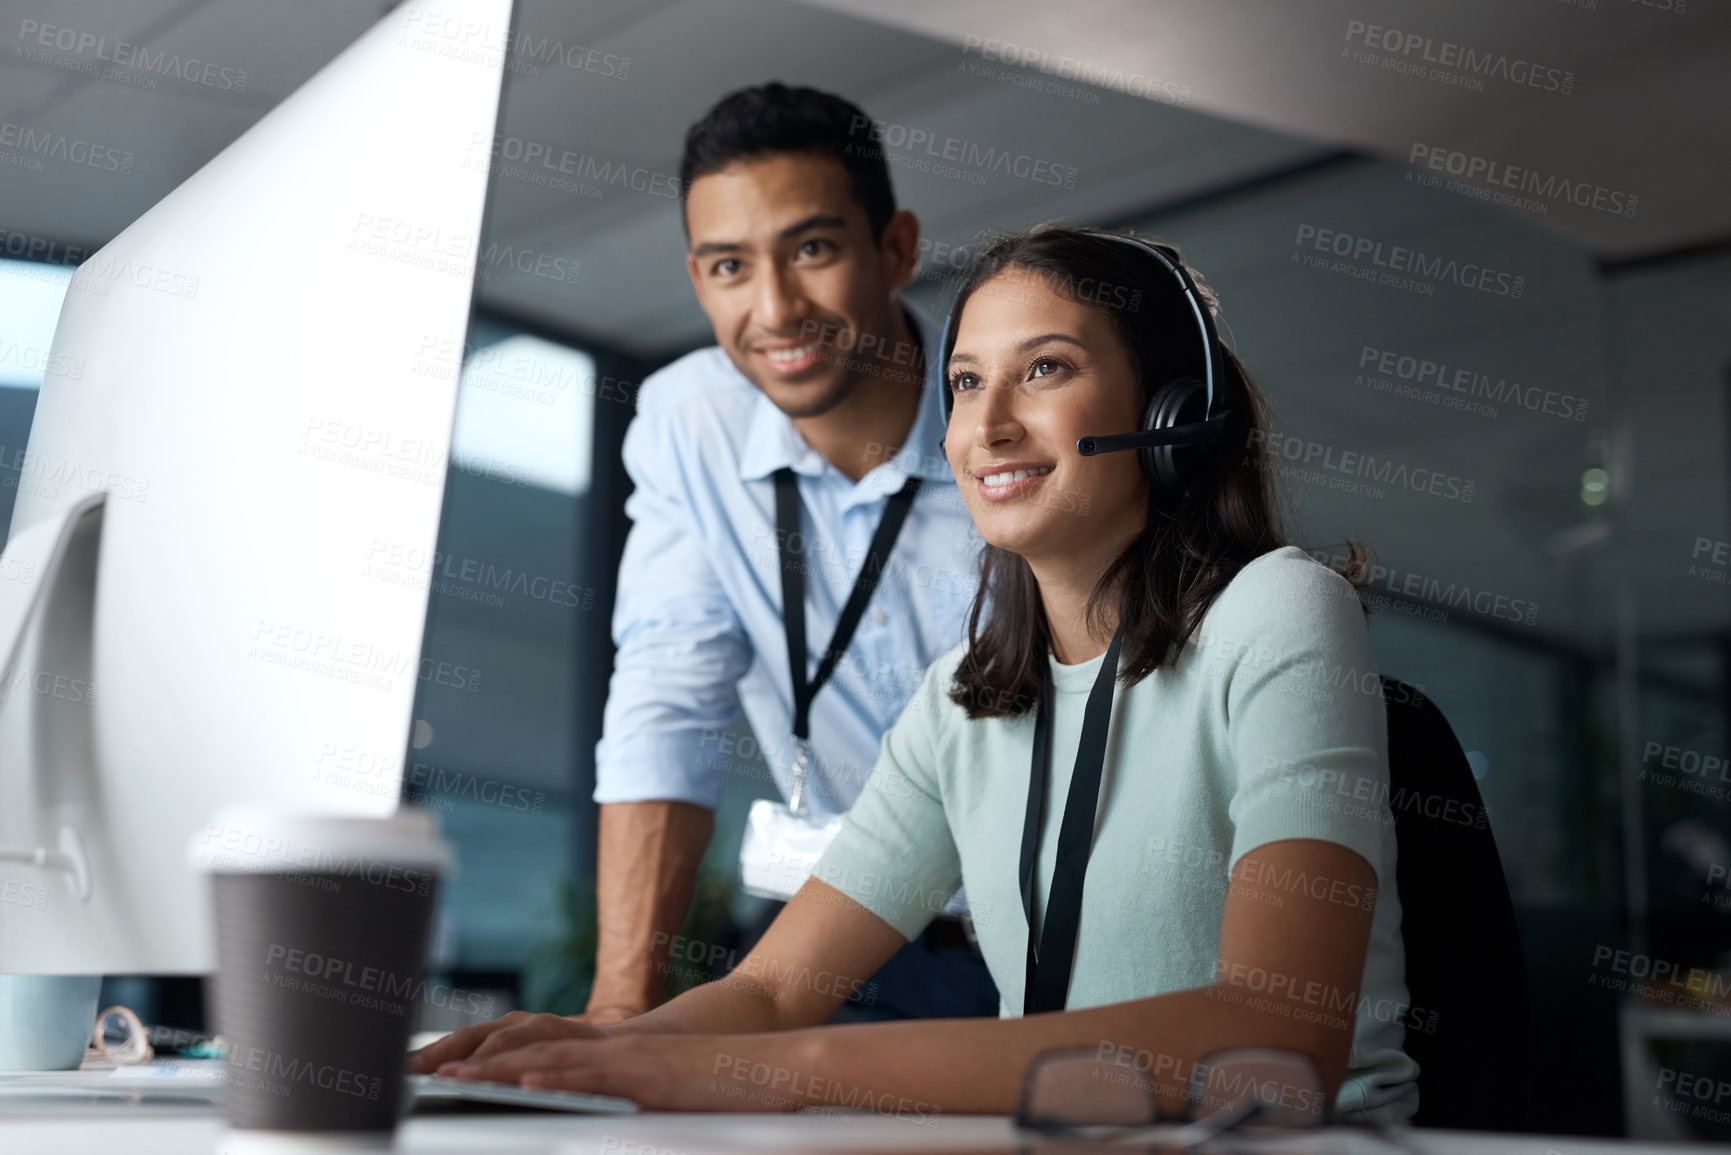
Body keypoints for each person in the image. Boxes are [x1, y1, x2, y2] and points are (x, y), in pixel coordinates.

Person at [412, 224, 1421, 1123]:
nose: (985, 428)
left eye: (1046, 370)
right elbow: (769, 996)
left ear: (1169, 413)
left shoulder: (1277, 611)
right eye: (969, 382)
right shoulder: (963, 702)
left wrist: (775, 1071)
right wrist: (594, 1051)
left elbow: (1280, 1031)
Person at [580, 82, 998, 1025]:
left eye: (811, 250)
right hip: (842, 951)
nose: (775, 308)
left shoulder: (1005, 423)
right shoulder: (691, 425)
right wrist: (616, 1009)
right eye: (730, 266)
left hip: (1056, 945)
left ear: (896, 249)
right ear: (697, 280)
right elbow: (667, 705)